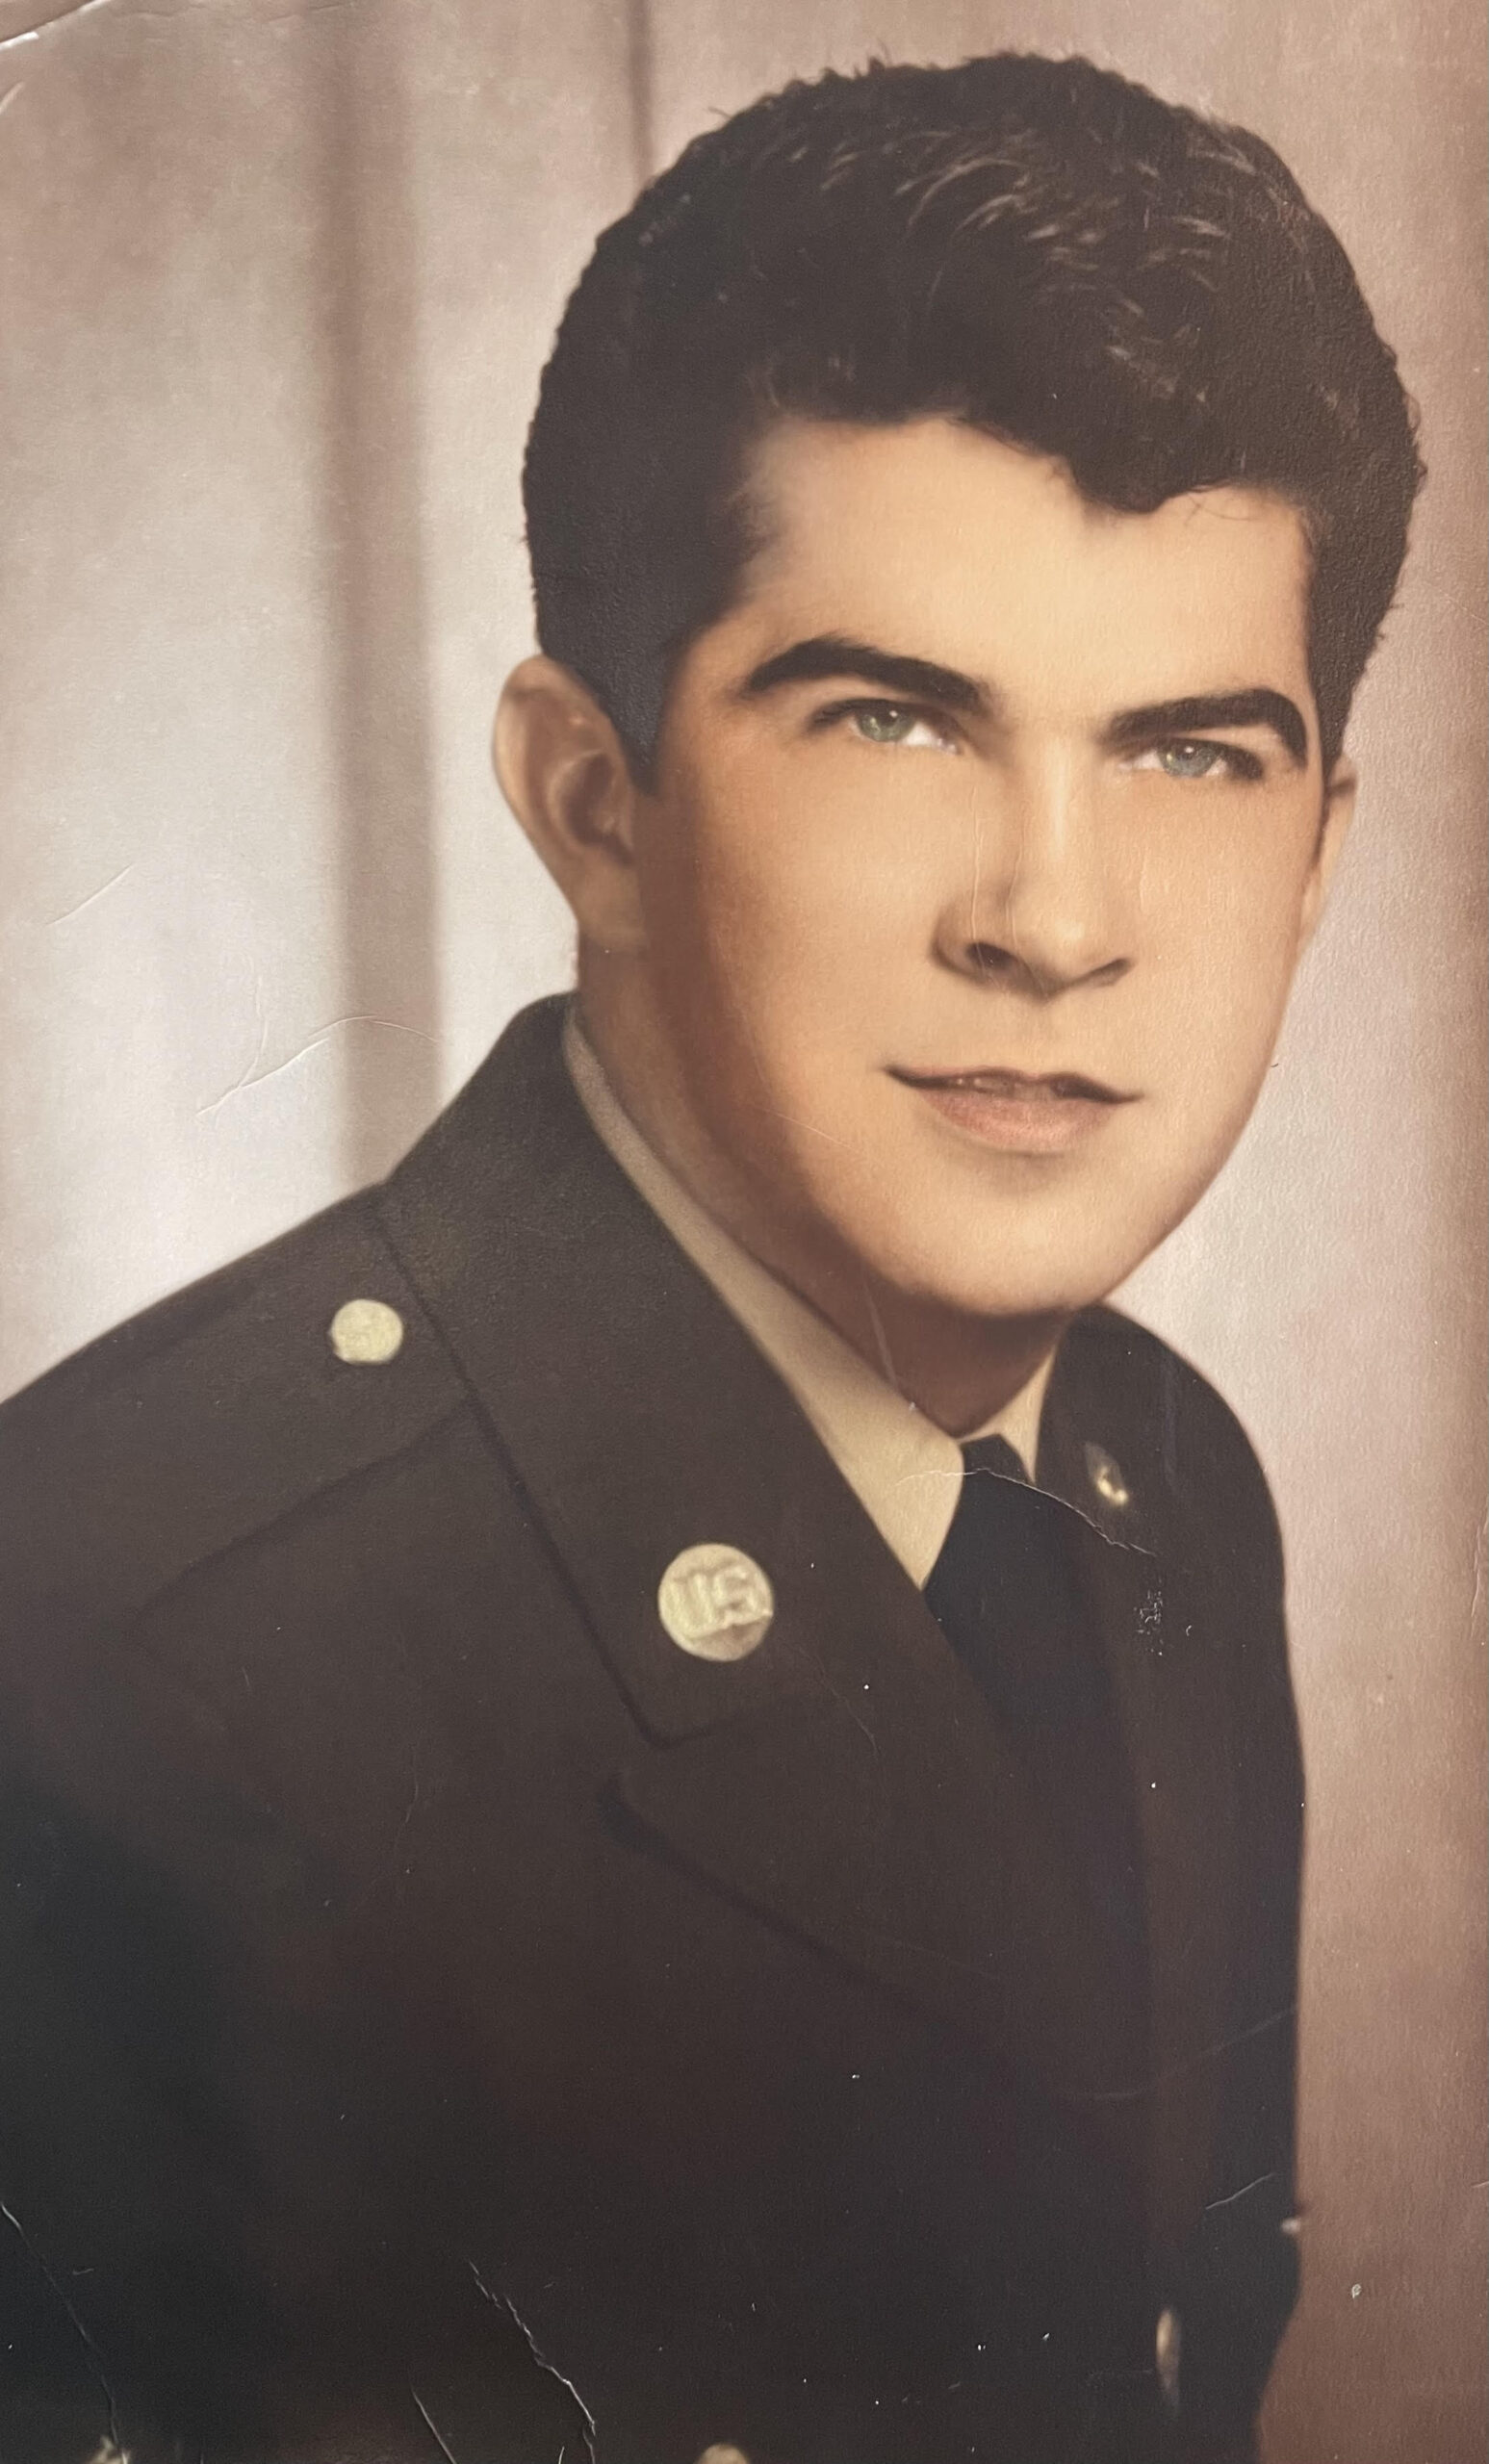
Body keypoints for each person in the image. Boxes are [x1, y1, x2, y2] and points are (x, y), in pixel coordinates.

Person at [0, 49, 1421, 2464]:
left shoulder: (1168, 1486)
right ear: (593, 799)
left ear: (1318, 851)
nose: (1055, 916)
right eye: (893, 719)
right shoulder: (102, 1648)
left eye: (1190, 750)